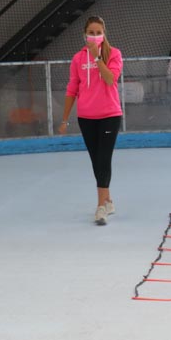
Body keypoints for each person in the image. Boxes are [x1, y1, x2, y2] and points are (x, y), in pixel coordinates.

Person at [58, 16, 123, 226]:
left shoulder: (114, 54)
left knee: (104, 159)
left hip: (109, 115)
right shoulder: (77, 59)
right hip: (86, 117)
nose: (94, 36)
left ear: (104, 34)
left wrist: (97, 58)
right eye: (91, 33)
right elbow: (72, 89)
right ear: (85, 35)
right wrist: (64, 119)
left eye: (98, 32)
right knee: (96, 160)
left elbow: (110, 79)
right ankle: (108, 200)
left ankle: (101, 206)